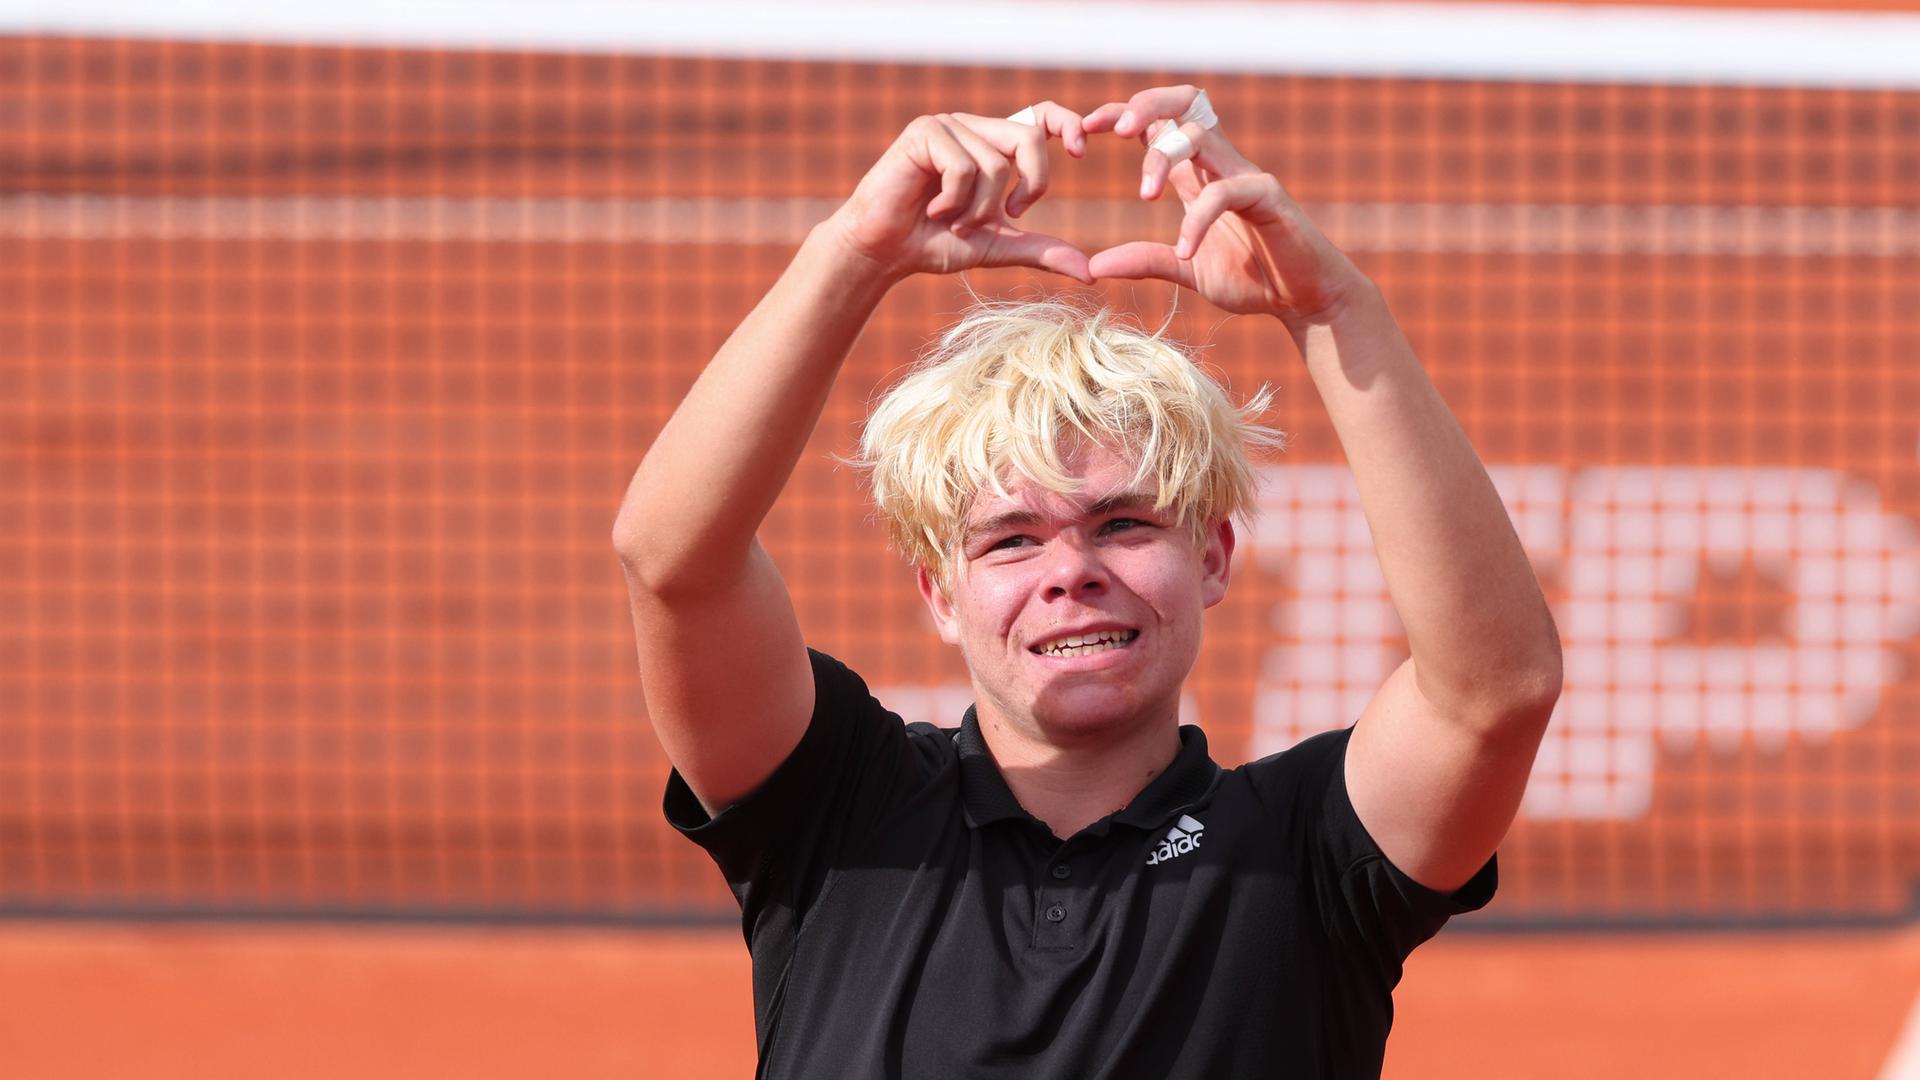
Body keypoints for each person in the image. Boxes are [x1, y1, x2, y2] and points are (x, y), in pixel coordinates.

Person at [612, 85, 1561, 1079]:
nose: (1072, 573)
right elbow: (673, 563)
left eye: (1123, 523)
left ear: (1214, 557)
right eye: (1011, 540)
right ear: (941, 594)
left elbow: (1492, 694)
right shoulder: (838, 810)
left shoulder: (1303, 855)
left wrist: (1331, 310)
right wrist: (853, 253)